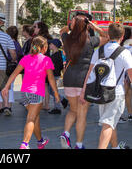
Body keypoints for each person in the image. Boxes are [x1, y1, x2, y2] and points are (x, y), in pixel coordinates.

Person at [59, 14, 108, 149]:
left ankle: (66, 133)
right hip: (84, 80)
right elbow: (107, 37)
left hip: (68, 79)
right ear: (86, 27)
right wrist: (94, 26)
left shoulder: (67, 39)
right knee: (82, 115)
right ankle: (79, 144)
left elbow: (61, 31)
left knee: (72, 110)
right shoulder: (91, 41)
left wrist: (70, 26)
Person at [2, 35, 60, 149]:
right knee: (31, 119)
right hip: (37, 93)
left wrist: (6, 87)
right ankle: (25, 144)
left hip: (24, 93)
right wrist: (56, 94)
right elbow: (51, 79)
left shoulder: (26, 58)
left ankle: (40, 141)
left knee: (35, 117)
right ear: (44, 47)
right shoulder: (46, 60)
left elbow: (14, 73)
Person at [80, 23, 132, 149]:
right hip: (116, 93)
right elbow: (131, 74)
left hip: (101, 92)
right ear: (122, 36)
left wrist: (83, 91)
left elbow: (90, 72)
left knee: (108, 122)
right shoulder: (124, 53)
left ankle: (115, 147)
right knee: (108, 125)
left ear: (108, 35)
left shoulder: (99, 51)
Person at [0, 26, 23, 114]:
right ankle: (9, 106)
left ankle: (1, 105)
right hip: (13, 67)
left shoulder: (6, 42)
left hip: (3, 66)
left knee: (0, 86)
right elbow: (20, 55)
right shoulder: (17, 44)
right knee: (10, 87)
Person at [46, 39, 67, 114]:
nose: (49, 45)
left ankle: (57, 107)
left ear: (54, 45)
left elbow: (54, 66)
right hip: (54, 75)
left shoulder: (56, 55)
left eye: (50, 44)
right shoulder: (56, 54)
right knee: (52, 91)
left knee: (53, 91)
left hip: (54, 75)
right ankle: (62, 100)